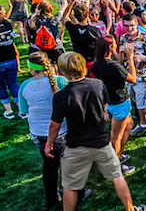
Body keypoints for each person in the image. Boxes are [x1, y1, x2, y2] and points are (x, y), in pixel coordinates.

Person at [45, 52, 146, 211]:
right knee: (117, 177)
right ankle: (130, 209)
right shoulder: (98, 84)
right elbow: (104, 106)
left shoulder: (61, 96)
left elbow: (55, 126)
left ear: (63, 71)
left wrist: (48, 144)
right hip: (101, 143)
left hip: (76, 146)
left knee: (70, 186)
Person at [19, 52, 91, 208]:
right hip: (63, 131)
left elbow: (23, 111)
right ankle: (78, 194)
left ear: (31, 69)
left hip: (39, 134)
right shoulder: (61, 81)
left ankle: (52, 199)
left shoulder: (24, 86)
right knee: (70, 166)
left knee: (49, 166)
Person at [93, 35, 139, 173]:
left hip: (110, 101)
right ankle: (117, 164)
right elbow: (133, 79)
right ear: (110, 48)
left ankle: (118, 154)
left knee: (129, 125)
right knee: (115, 137)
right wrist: (130, 59)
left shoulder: (97, 65)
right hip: (120, 103)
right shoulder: (113, 67)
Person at [119, 14, 146, 140]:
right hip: (128, 75)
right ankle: (144, 124)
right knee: (138, 103)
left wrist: (141, 58)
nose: (129, 29)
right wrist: (121, 51)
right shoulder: (123, 38)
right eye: (126, 26)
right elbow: (120, 61)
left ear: (136, 24)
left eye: (131, 25)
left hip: (142, 77)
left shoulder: (145, 37)